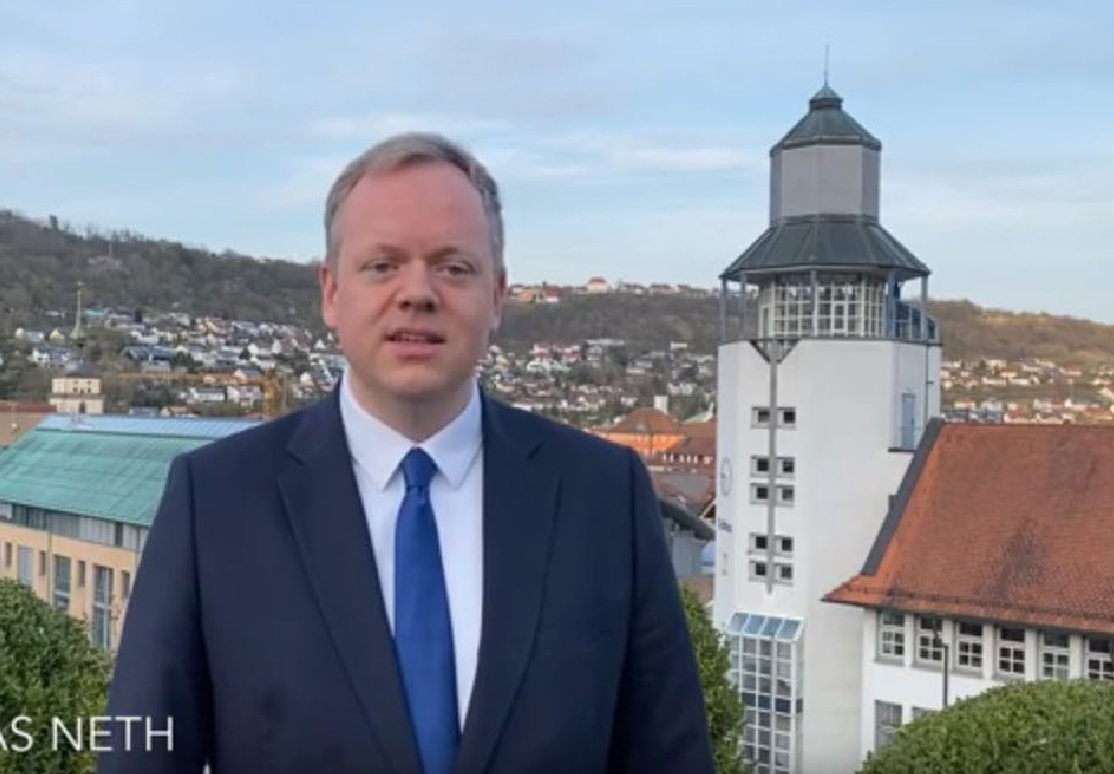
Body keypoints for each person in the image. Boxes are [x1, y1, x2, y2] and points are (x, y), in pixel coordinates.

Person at [96, 132, 716, 774]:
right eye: (383, 265)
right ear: (331, 292)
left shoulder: (602, 496)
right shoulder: (216, 502)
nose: (418, 293)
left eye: (454, 267)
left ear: (498, 296)